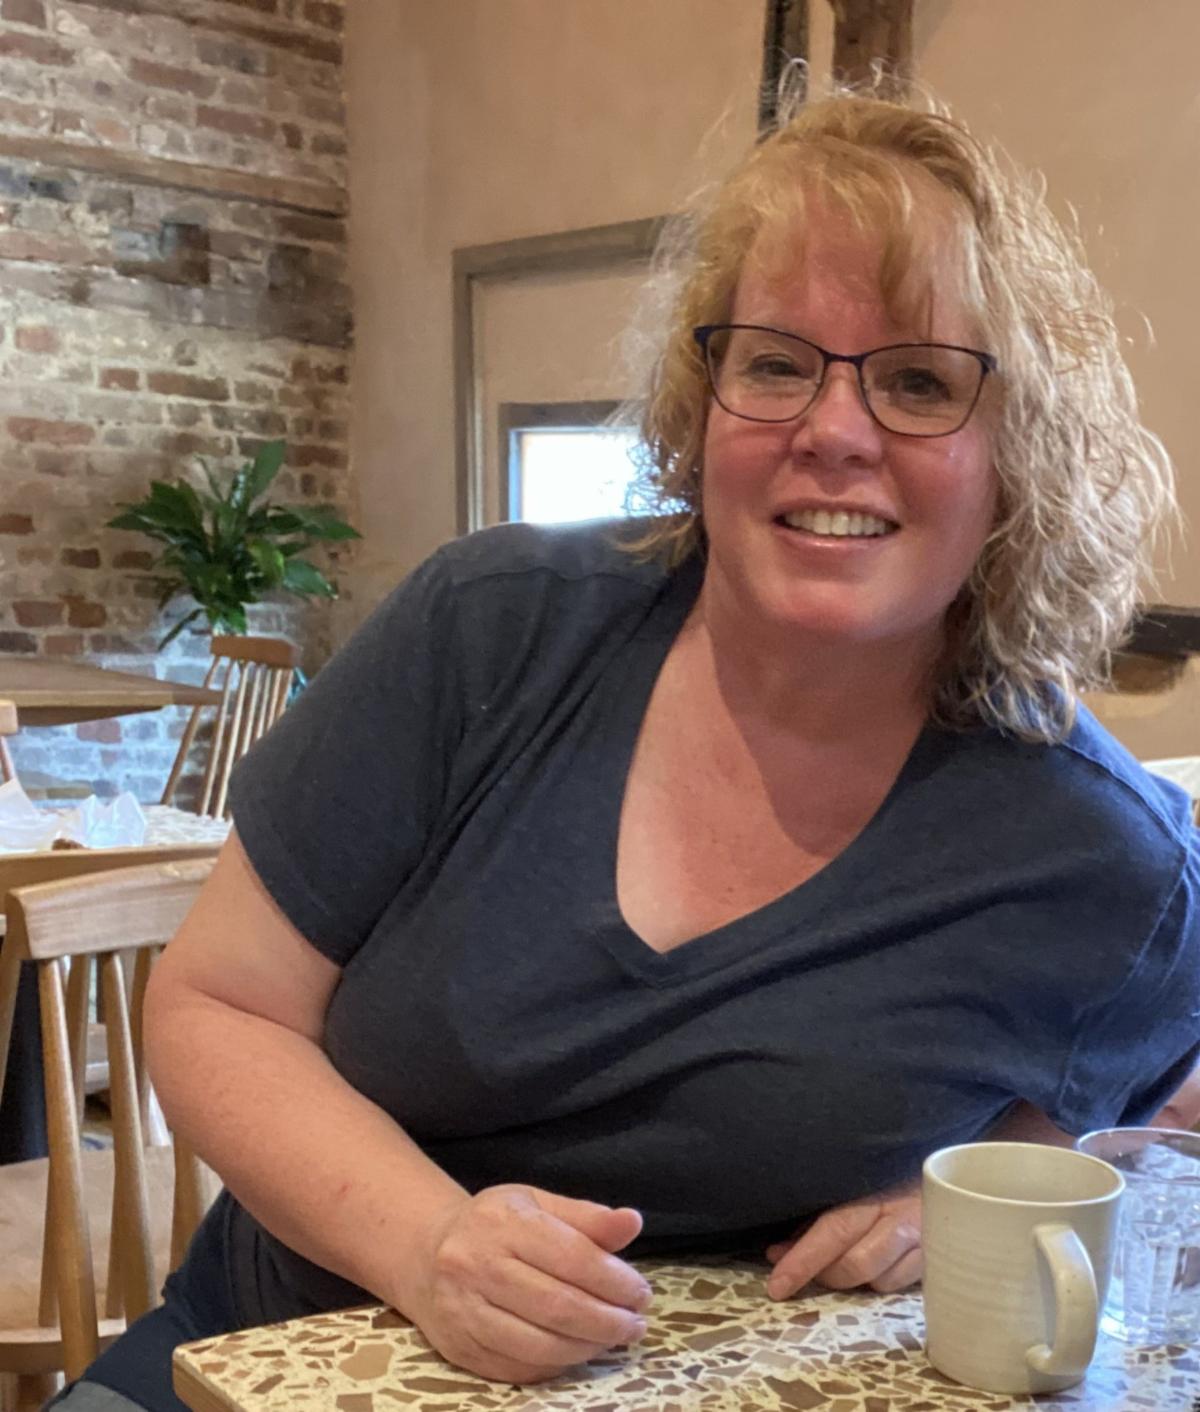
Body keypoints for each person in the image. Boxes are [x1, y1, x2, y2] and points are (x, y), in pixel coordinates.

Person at [55, 83, 1200, 1411]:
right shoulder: (489, 633)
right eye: (775, 363)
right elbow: (215, 1008)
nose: (833, 430)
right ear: (700, 407)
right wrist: (430, 1246)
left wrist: (982, 1174)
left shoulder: (1102, 858)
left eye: (918, 383)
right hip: (268, 1366)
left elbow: (1123, 1114)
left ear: (1018, 460)